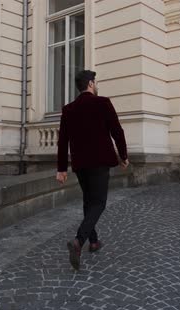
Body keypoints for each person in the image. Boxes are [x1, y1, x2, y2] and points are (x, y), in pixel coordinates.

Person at [56, 70, 129, 270]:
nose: (96, 85)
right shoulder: (102, 102)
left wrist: (62, 168)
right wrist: (123, 155)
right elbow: (117, 131)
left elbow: (63, 141)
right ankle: (79, 241)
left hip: (80, 164)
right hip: (99, 162)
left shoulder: (68, 109)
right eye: (95, 82)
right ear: (90, 83)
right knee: (99, 203)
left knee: (89, 201)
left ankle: (94, 242)